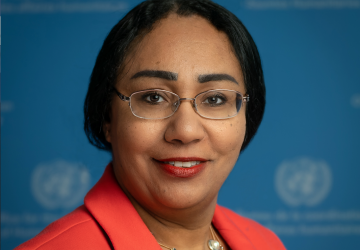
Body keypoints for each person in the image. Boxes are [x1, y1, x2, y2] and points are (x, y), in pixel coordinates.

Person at [16, 0, 285, 249]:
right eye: (153, 97)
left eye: (215, 99)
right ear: (107, 117)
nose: (186, 131)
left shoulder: (265, 242)